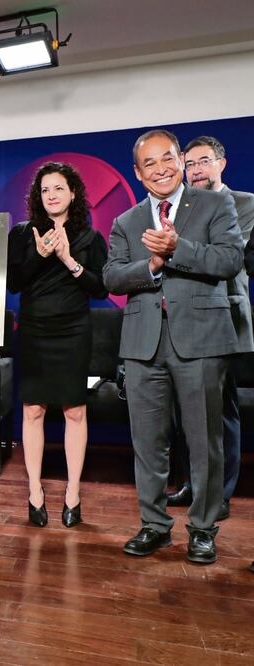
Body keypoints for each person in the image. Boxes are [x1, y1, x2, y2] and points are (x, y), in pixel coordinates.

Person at [104, 129, 242, 565]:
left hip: (201, 340)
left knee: (205, 442)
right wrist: (152, 263)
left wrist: (178, 248)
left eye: (167, 158)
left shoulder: (215, 204)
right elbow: (112, 277)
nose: (160, 168)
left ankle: (202, 529)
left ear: (181, 161)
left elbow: (229, 260)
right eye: (150, 163)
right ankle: (154, 525)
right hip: (142, 345)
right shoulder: (126, 222)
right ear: (138, 173)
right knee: (148, 443)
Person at [7, 162, 108, 528]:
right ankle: (35, 491)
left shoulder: (90, 238)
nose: (51, 195)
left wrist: (67, 259)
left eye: (58, 189)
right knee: (33, 410)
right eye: (45, 190)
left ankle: (73, 493)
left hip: (73, 330)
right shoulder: (22, 234)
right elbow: (14, 283)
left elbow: (99, 288)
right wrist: (40, 255)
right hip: (34, 330)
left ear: (73, 194)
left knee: (74, 411)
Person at [167, 136, 254, 520]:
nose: (196, 170)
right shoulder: (179, 207)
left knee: (220, 411)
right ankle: (193, 484)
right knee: (186, 412)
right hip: (183, 320)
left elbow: (226, 257)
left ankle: (218, 494)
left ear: (222, 163)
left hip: (225, 320)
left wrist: (177, 248)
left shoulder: (246, 205)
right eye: (190, 164)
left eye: (204, 162)